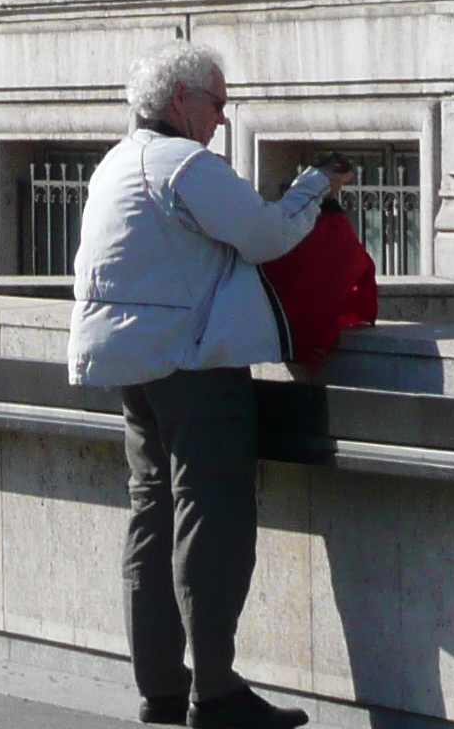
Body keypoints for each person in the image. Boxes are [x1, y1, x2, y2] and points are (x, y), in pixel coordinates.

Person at [72, 45, 349, 729]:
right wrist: (314, 187)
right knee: (212, 513)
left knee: (153, 512)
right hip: (192, 362)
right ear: (180, 102)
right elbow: (265, 234)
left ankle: (161, 687)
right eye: (218, 104)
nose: (223, 120)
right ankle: (217, 691)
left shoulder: (114, 163)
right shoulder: (183, 165)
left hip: (129, 364)